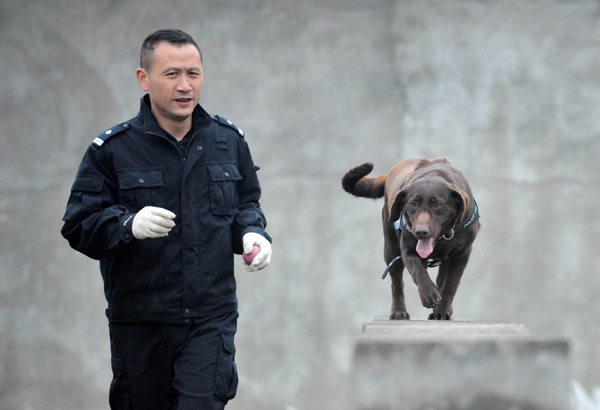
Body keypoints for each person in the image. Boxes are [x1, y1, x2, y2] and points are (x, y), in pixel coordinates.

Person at [61, 29, 272, 410]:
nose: (185, 85)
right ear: (144, 79)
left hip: (210, 319)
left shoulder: (228, 141)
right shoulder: (112, 150)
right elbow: (78, 224)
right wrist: (127, 225)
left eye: (193, 73)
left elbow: (246, 203)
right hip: (141, 325)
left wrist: (253, 233)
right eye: (171, 74)